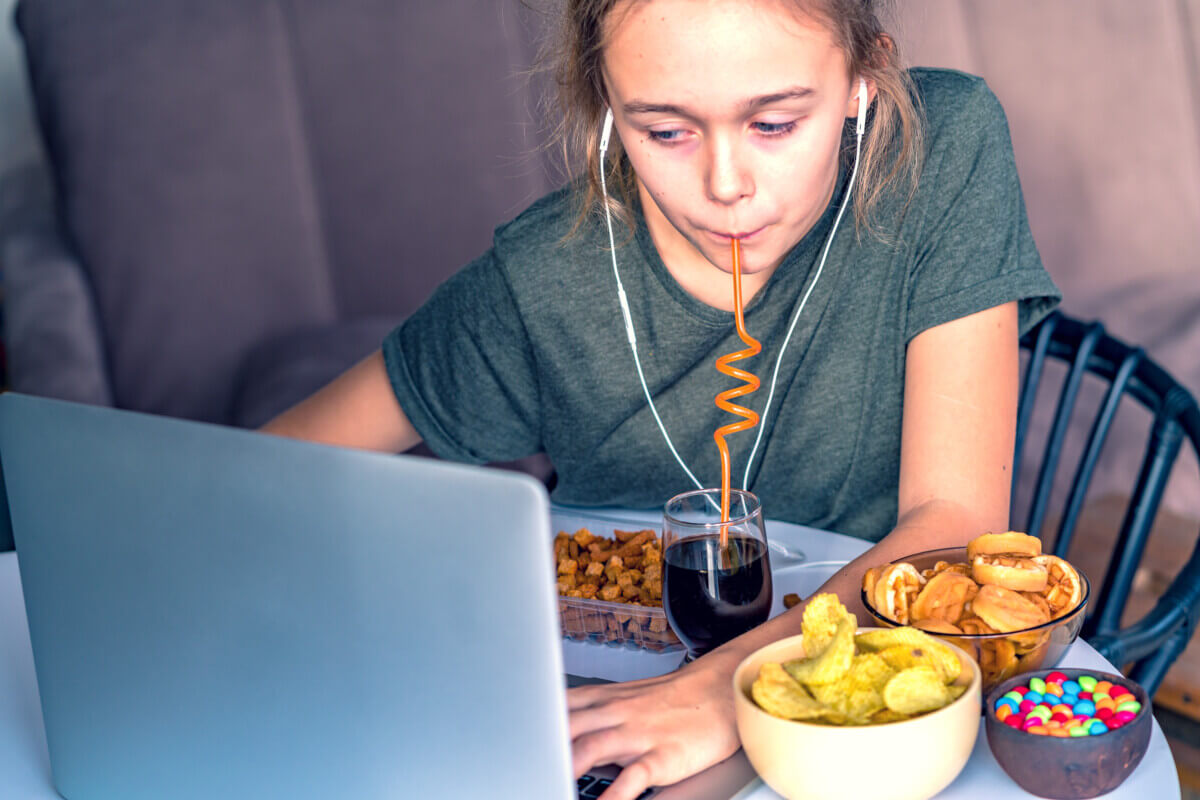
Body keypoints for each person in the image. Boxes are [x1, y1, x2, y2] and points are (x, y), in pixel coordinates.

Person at [264, 0, 1061, 796]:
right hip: (609, 702)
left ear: (864, 80)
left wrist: (730, 689)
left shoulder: (944, 146)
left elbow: (956, 521)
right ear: (607, 102)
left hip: (860, 713)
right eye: (666, 131)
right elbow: (252, 482)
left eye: (775, 124)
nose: (726, 187)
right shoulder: (538, 281)